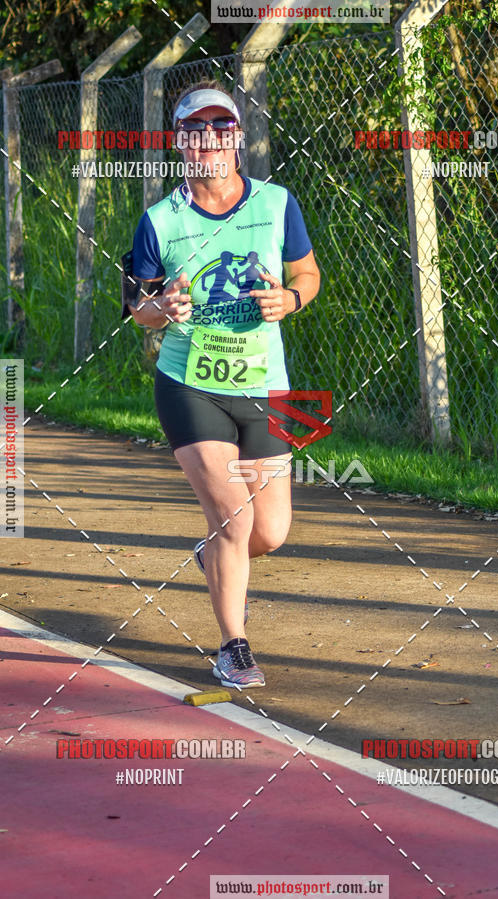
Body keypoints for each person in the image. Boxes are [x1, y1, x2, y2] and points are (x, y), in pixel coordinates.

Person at [123, 81, 320, 688]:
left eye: (221, 126)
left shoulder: (277, 202)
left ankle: (214, 557)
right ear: (179, 143)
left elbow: (308, 274)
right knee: (234, 519)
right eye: (195, 129)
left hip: (266, 386)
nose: (209, 138)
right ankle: (233, 647)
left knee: (269, 532)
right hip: (190, 384)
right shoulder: (160, 220)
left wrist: (288, 299)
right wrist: (164, 309)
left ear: (238, 137)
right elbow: (137, 305)